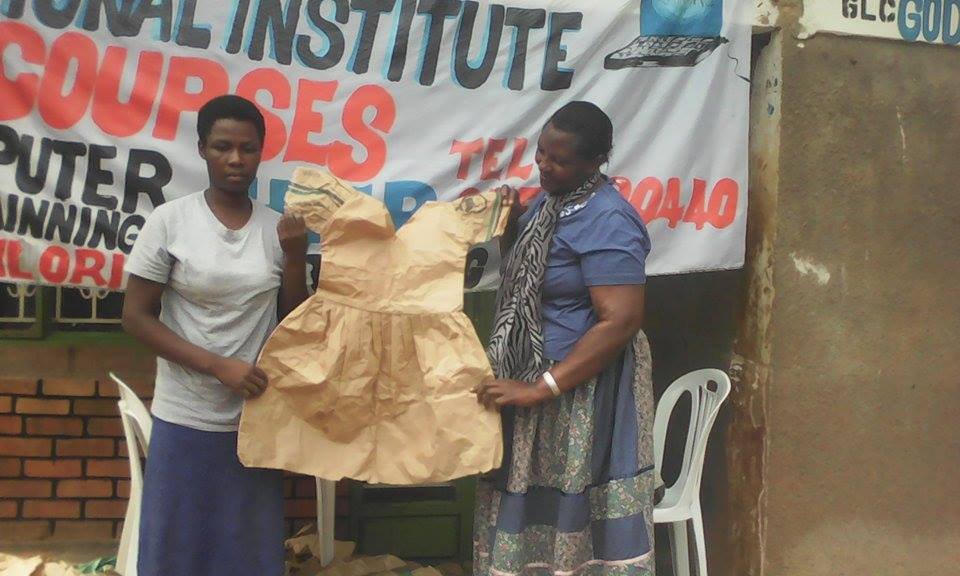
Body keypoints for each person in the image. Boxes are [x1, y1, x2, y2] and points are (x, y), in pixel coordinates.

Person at [122, 94, 310, 576]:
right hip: (185, 417)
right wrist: (216, 366)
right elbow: (137, 317)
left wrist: (293, 259)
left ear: (261, 152)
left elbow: (295, 325)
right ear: (202, 148)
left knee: (247, 555)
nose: (235, 159)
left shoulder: (276, 229)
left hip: (252, 424)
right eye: (222, 146)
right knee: (176, 553)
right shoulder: (171, 221)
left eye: (247, 148)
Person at [474, 101, 656, 576]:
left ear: (595, 162)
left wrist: (542, 388)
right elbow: (533, 279)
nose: (544, 166)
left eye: (559, 160)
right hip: (537, 377)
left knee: (573, 514)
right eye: (540, 154)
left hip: (582, 391)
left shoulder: (608, 219)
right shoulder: (552, 203)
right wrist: (512, 228)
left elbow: (620, 320)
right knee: (530, 507)